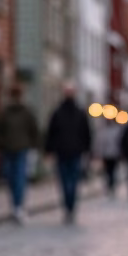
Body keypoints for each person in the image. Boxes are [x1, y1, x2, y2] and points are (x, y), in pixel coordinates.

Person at [0, 83, 40, 224]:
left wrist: (34, 145)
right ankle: (16, 205)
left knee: (17, 178)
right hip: (12, 149)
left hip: (18, 149)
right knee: (13, 178)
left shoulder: (19, 112)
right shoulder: (11, 113)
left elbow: (33, 130)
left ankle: (17, 205)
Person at [45, 83, 92, 223]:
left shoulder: (58, 112)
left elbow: (51, 132)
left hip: (65, 152)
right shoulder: (78, 112)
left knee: (66, 181)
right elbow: (87, 133)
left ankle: (68, 205)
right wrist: (87, 149)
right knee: (71, 181)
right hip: (73, 151)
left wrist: (49, 149)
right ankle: (70, 205)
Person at [93, 118, 123, 197]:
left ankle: (112, 184)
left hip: (114, 154)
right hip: (107, 154)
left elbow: (119, 142)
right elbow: (100, 142)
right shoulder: (104, 130)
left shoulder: (115, 130)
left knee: (112, 170)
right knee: (108, 171)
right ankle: (109, 184)